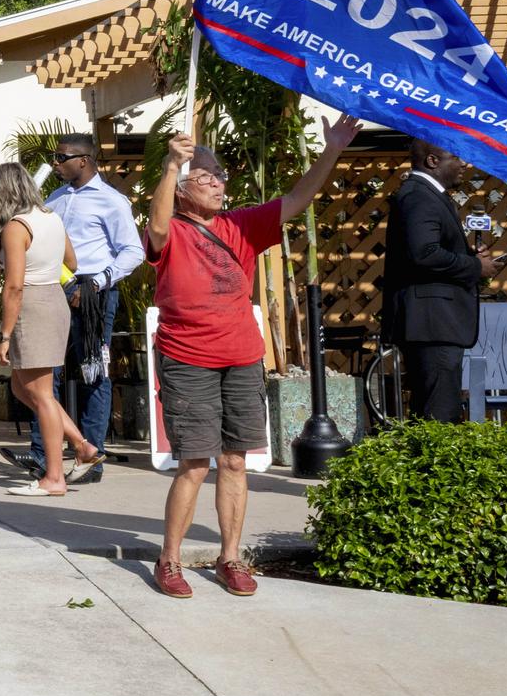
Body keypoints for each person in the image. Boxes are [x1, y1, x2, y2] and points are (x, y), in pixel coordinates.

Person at [145, 118, 361, 598]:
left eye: (221, 176)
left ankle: (230, 557)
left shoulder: (240, 223)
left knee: (236, 461)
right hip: (188, 358)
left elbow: (297, 199)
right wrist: (170, 165)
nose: (219, 184)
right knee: (195, 463)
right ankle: (170, 560)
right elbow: (156, 228)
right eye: (206, 177)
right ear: (182, 190)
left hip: (242, 356)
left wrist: (333, 150)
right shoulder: (172, 227)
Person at [37, 135, 147, 482]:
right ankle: (44, 455)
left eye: (61, 157)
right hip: (55, 287)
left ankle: (91, 458)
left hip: (94, 291)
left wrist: (97, 283)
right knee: (45, 372)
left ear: (83, 160)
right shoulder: (54, 199)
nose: (55, 163)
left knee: (92, 373)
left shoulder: (112, 201)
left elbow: (133, 251)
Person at [0, 162, 98, 498]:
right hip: (54, 298)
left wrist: (4, 335)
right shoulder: (52, 217)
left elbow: (14, 287)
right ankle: (82, 446)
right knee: (24, 389)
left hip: (32, 305)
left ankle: (53, 477)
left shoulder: (15, 226)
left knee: (41, 395)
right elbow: (73, 262)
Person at [382, 141, 499, 422]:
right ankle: (430, 466)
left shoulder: (426, 195)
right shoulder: (419, 197)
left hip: (434, 323)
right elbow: (423, 254)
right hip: (432, 324)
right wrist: (474, 266)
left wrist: (468, 256)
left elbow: (427, 250)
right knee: (439, 414)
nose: (465, 164)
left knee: (432, 410)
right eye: (457, 156)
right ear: (433, 161)